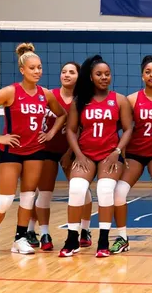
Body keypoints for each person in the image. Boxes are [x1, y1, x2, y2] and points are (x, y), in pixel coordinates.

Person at [0, 43, 67, 256]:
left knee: (27, 197)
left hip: (35, 151)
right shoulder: (10, 92)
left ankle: (20, 239)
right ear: (22, 70)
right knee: (5, 199)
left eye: (40, 67)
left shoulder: (45, 94)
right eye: (32, 68)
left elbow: (62, 114)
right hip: (12, 151)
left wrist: (50, 134)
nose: (37, 71)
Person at [58, 55, 133, 258]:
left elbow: (128, 129)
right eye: (99, 74)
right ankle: (72, 239)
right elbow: (71, 130)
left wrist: (117, 151)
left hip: (110, 154)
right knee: (77, 189)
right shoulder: (80, 101)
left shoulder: (119, 100)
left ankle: (103, 241)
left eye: (107, 74)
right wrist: (79, 155)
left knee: (105, 189)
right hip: (86, 154)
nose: (103, 77)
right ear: (91, 77)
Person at [110, 55, 152, 255]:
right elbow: (118, 127)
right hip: (134, 155)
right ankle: (122, 237)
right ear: (142, 76)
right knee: (118, 193)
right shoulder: (131, 100)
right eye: (148, 72)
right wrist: (120, 152)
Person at [26, 62, 94, 251]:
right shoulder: (49, 95)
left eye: (71, 72)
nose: (66, 75)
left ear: (78, 77)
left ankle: (85, 230)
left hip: (70, 151)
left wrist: (69, 153)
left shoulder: (82, 100)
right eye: (63, 71)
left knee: (82, 191)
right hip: (46, 149)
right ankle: (41, 232)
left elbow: (81, 129)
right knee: (44, 193)